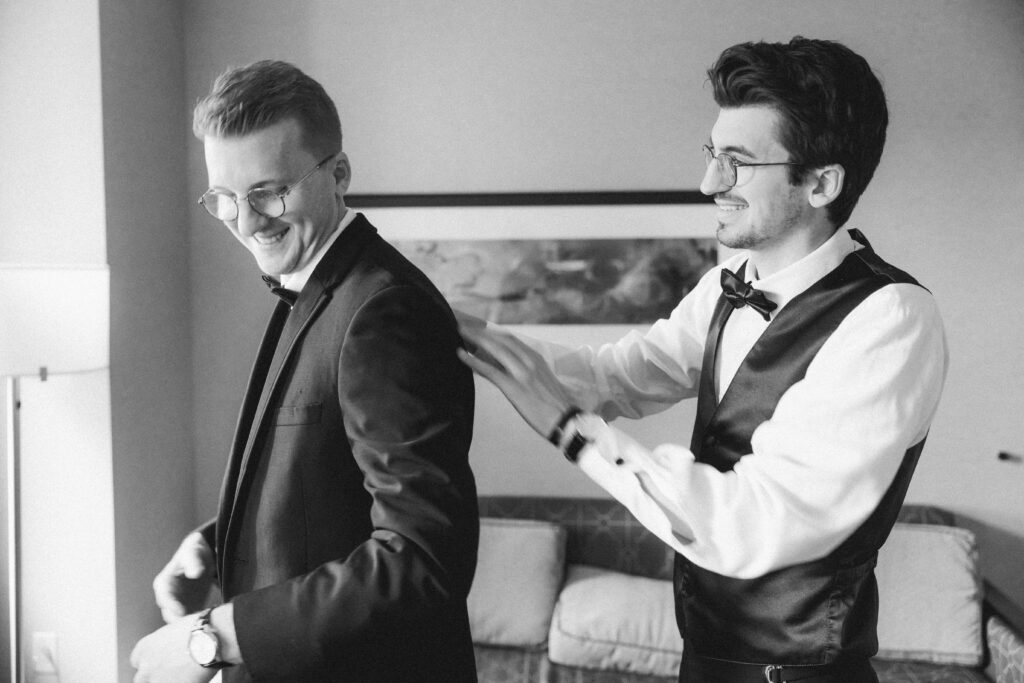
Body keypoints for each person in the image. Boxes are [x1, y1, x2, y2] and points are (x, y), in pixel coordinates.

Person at [459, 37, 948, 683]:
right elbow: (619, 374)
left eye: (738, 162)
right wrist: (470, 336)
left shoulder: (891, 318)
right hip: (706, 660)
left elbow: (756, 522)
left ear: (821, 182)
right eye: (713, 154)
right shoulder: (729, 280)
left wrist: (574, 434)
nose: (708, 182)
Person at [130, 60, 479, 682]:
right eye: (225, 199)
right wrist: (220, 541)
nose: (246, 221)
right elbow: (327, 483)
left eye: (267, 192)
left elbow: (421, 563)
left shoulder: (382, 310)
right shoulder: (318, 286)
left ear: (338, 174)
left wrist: (209, 638)